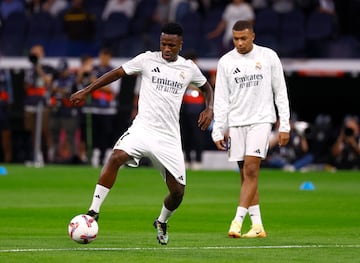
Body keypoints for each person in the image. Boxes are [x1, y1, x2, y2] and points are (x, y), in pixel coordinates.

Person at [69, 22, 214, 245]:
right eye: (163, 43)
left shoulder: (189, 68)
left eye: (171, 45)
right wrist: (87, 91)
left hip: (168, 138)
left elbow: (206, 88)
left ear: (180, 45)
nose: (166, 48)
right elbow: (116, 73)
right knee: (116, 156)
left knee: (178, 193)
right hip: (143, 129)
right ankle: (93, 212)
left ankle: (162, 221)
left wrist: (209, 107)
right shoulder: (147, 59)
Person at [211, 20, 290, 238]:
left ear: (252, 36)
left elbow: (280, 91)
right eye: (236, 39)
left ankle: (236, 221)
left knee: (252, 169)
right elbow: (221, 99)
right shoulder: (226, 62)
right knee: (245, 174)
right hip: (236, 123)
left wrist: (284, 124)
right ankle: (257, 226)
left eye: (243, 38)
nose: (239, 43)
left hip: (261, 120)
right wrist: (218, 129)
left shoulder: (268, 56)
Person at [23, 44, 54, 165]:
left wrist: (38, 68)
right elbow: (25, 86)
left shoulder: (47, 67)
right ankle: (37, 155)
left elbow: (48, 81)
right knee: (33, 131)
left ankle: (50, 154)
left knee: (45, 130)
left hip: (43, 103)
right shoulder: (29, 70)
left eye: (37, 53)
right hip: (31, 102)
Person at [0, 67, 13, 163]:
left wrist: (9, 102)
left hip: (3, 107)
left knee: (6, 133)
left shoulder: (5, 70)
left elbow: (9, 89)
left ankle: (7, 158)